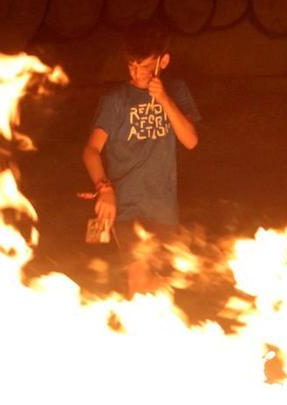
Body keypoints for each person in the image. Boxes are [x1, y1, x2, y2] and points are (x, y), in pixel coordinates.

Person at [81, 21, 201, 295]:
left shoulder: (177, 91)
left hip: (163, 207)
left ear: (163, 61)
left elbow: (191, 141)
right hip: (126, 206)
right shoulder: (116, 99)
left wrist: (164, 99)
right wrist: (104, 188)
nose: (136, 74)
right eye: (131, 66)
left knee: (162, 288)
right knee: (138, 280)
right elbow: (91, 151)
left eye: (145, 67)